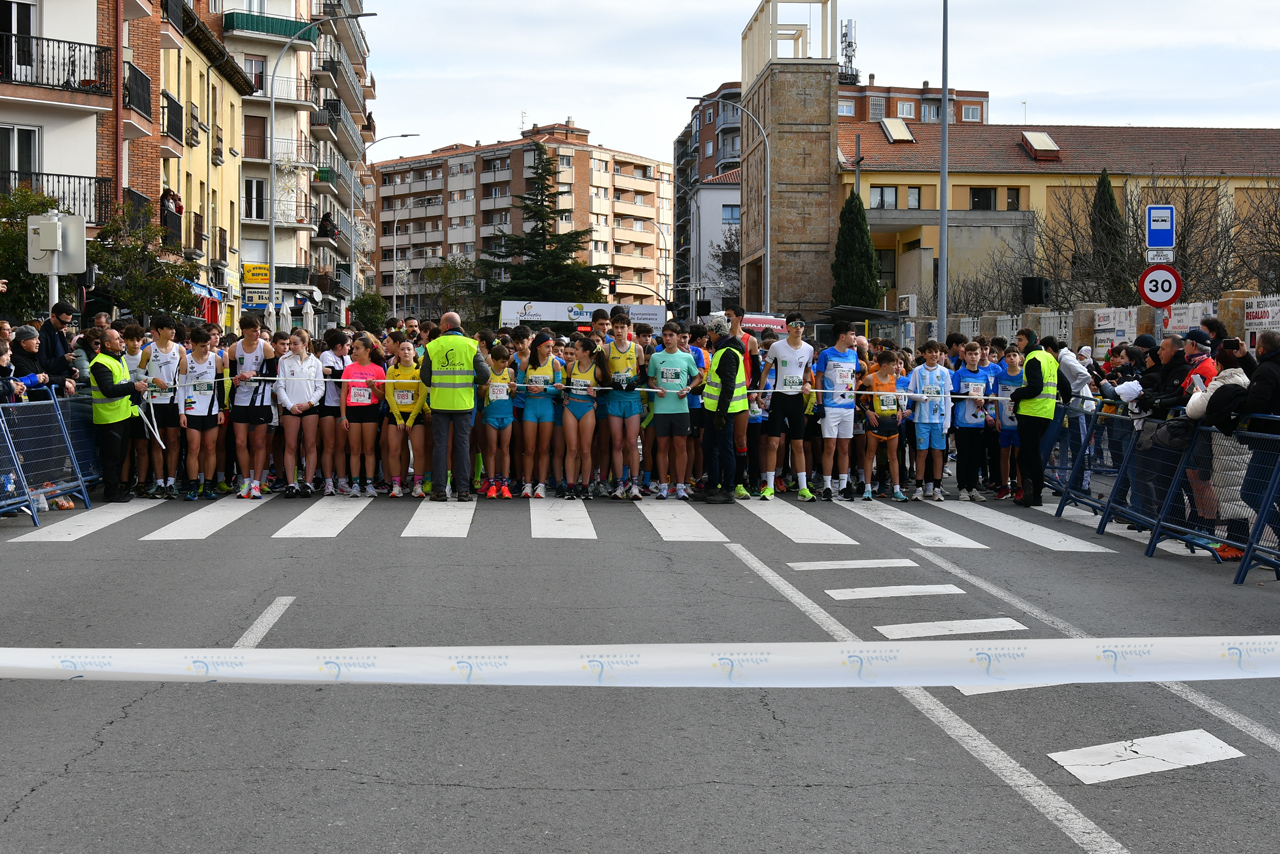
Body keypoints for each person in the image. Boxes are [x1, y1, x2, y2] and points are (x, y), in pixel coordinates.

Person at [420, 311, 489, 502]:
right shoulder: (471, 345)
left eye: (441, 325)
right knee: (463, 445)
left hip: (440, 403)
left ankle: (439, 490)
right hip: (463, 403)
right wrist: (471, 380)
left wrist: (437, 382)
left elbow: (425, 377)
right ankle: (463, 491)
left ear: (446, 326)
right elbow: (485, 375)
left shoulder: (433, 345)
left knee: (440, 446)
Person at [756, 312, 815, 501]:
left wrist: (808, 383)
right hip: (779, 398)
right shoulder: (776, 347)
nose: (799, 328)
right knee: (773, 443)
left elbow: (807, 372)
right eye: (795, 324)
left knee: (798, 445)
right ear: (787, 327)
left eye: (802, 324)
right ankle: (769, 486)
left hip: (796, 399)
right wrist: (759, 395)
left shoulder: (808, 349)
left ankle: (803, 488)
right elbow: (765, 372)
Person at [89, 329, 148, 502]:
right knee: (111, 457)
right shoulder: (100, 363)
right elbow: (108, 390)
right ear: (107, 344)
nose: (122, 341)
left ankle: (117, 489)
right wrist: (133, 387)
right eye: (118, 339)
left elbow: (121, 384)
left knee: (120, 455)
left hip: (122, 414)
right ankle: (111, 492)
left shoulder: (118, 359)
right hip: (109, 418)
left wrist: (134, 389)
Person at [1007, 329, 1059, 507]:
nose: (1018, 344)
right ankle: (1031, 488)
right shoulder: (1049, 358)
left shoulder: (1032, 359)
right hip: (1046, 413)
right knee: (1029, 453)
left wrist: (1016, 394)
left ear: (1030, 341)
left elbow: (1035, 387)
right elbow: (1064, 384)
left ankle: (1034, 492)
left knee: (1029, 455)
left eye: (1020, 340)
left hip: (1031, 413)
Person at [647, 320, 698, 500]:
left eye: (671, 335)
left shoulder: (687, 357)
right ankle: (663, 485)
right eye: (665, 335)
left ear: (678, 337)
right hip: (661, 409)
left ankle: (681, 486)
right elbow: (650, 379)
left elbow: (698, 377)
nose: (667, 339)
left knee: (681, 447)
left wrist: (689, 388)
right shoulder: (656, 357)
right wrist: (656, 388)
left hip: (681, 409)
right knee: (662, 447)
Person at [228, 315, 277, 499]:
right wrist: (236, 378)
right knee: (240, 442)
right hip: (241, 399)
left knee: (259, 442)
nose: (257, 334)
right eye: (254, 331)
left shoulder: (266, 347)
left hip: (260, 399)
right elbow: (232, 374)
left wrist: (253, 373)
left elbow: (272, 375)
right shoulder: (234, 348)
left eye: (258, 330)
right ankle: (246, 482)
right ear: (244, 331)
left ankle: (257, 483)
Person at [1239, 329, 1280, 543]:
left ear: (1262, 350)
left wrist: (1235, 405)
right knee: (1275, 492)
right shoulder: (1271, 367)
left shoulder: (1267, 370)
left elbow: (1257, 401)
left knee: (1251, 491)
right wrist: (1245, 357)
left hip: (1269, 439)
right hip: (1273, 438)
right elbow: (1263, 377)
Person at [699, 315, 746, 504]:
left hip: (724, 410)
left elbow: (728, 386)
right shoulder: (722, 349)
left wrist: (721, 414)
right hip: (715, 409)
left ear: (717, 333)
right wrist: (701, 388)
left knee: (725, 449)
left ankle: (728, 490)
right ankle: (712, 486)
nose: (708, 334)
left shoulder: (727, 353)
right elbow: (716, 381)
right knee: (709, 446)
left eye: (710, 331)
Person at [813, 320, 861, 501]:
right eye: (852, 334)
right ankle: (827, 486)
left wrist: (854, 404)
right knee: (829, 447)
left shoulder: (853, 355)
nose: (854, 337)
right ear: (842, 336)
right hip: (830, 406)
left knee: (844, 448)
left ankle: (843, 486)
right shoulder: (826, 354)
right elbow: (818, 379)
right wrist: (819, 404)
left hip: (847, 407)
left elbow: (854, 380)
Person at [138, 315, 185, 498]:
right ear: (159, 331)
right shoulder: (149, 350)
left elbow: (184, 378)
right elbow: (138, 376)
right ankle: (159, 483)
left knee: (173, 442)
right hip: (154, 402)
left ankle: (171, 483)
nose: (173, 331)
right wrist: (153, 380)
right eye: (169, 328)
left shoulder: (180, 350)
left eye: (174, 328)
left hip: (173, 402)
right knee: (156, 442)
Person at [275, 329, 324, 498]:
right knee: (291, 446)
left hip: (310, 408)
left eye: (295, 344)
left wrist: (309, 404)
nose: (291, 347)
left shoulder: (315, 362)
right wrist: (289, 406)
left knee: (310, 445)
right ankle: (291, 483)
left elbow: (320, 387)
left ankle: (308, 483)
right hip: (291, 408)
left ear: (304, 344)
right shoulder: (284, 360)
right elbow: (280, 386)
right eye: (290, 344)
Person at [179, 327, 227, 500]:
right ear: (193, 344)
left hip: (211, 409)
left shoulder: (216, 359)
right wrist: (182, 412)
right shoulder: (186, 360)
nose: (206, 348)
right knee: (193, 448)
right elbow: (181, 388)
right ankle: (193, 486)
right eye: (202, 346)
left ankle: (208, 485)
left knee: (210, 448)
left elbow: (220, 386)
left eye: (208, 345)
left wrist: (221, 409)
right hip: (192, 410)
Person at [340, 333, 385, 497]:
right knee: (354, 449)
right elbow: (343, 394)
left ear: (367, 351)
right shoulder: (349, 369)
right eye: (353, 348)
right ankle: (355, 483)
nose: (354, 351)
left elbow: (383, 396)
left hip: (370, 410)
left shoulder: (378, 370)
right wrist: (343, 416)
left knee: (369, 448)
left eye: (357, 348)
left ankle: (370, 483)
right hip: (353, 410)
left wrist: (372, 387)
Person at [906, 340, 952, 501]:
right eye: (930, 352)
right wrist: (920, 397)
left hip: (939, 419)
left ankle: (937, 488)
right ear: (924, 354)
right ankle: (919, 487)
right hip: (921, 419)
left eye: (936, 352)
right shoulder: (917, 371)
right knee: (922, 452)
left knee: (938, 453)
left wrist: (947, 421)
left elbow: (947, 397)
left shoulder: (944, 372)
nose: (934, 355)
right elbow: (910, 392)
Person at [860, 350, 909, 501]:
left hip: (891, 421)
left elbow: (895, 398)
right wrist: (867, 412)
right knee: (870, 454)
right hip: (876, 421)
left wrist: (899, 410)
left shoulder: (893, 378)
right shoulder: (870, 379)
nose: (897, 367)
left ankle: (897, 490)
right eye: (894, 365)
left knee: (893, 456)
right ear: (885, 366)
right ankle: (867, 489)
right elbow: (856, 397)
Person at [561, 338, 606, 500]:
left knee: (585, 450)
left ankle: (586, 486)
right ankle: (570, 486)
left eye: (577, 349)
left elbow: (606, 389)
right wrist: (563, 397)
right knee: (572, 449)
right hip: (571, 407)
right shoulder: (571, 367)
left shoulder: (597, 370)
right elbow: (566, 388)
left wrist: (596, 395)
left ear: (586, 352)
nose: (574, 352)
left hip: (587, 408)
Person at [384, 338, 429, 498]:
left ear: (414, 352)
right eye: (402, 349)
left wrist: (410, 420)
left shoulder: (419, 370)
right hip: (396, 414)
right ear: (398, 353)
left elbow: (422, 396)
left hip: (415, 415)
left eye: (409, 349)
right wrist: (399, 418)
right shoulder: (392, 370)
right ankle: (396, 485)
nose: (405, 352)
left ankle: (418, 485)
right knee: (394, 450)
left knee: (419, 451)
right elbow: (389, 395)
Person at [518, 332, 561, 498]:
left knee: (544, 449)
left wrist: (544, 389)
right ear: (538, 347)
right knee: (529, 449)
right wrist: (526, 387)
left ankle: (541, 485)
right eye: (547, 347)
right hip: (530, 406)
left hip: (546, 407)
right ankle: (528, 484)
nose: (551, 350)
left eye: (552, 347)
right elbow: (518, 386)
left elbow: (558, 390)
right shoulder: (526, 362)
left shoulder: (555, 363)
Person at [606, 313, 644, 500]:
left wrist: (635, 383)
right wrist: (609, 382)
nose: (619, 331)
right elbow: (602, 373)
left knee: (631, 442)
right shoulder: (606, 349)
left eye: (622, 327)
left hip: (632, 398)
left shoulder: (637, 348)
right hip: (614, 399)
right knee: (617, 443)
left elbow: (643, 375)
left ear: (628, 328)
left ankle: (635, 484)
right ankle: (619, 484)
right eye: (616, 327)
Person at [951, 342, 994, 502]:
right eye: (970, 354)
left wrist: (984, 400)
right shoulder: (959, 374)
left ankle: (973, 487)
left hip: (978, 422)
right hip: (962, 422)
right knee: (963, 456)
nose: (973, 357)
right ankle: (962, 487)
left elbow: (989, 395)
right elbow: (953, 396)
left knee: (976, 456)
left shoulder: (983, 375)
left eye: (976, 354)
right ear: (965, 356)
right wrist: (968, 394)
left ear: (980, 355)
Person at [482, 344, 518, 499]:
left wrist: (514, 389)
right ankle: (491, 483)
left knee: (505, 449)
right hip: (491, 415)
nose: (505, 364)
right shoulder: (487, 372)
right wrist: (484, 388)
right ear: (494, 360)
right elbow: (480, 394)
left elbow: (513, 395)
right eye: (502, 361)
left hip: (507, 415)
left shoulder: (510, 372)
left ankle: (504, 483)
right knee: (492, 449)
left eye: (507, 361)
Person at [318, 330, 351, 496]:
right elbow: (338, 378)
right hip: (327, 404)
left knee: (340, 446)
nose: (349, 349)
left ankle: (342, 481)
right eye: (347, 345)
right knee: (329, 445)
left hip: (342, 405)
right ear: (339, 346)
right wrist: (335, 373)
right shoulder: (326, 355)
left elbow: (345, 376)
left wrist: (333, 372)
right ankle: (328, 481)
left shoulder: (347, 358)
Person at [992, 347, 1025, 500]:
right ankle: (1004, 486)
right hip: (1004, 421)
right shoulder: (999, 376)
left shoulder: (1024, 376)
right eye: (1008, 356)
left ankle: (1020, 487)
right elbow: (996, 398)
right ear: (1004, 359)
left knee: (1019, 455)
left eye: (1014, 355)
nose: (1011, 358)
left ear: (1020, 358)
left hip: (1019, 421)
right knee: (1004, 453)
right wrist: (997, 418)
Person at [10, 325, 75, 400]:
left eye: (38, 338)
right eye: (34, 339)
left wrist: (64, 379)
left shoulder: (32, 357)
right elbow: (36, 378)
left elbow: (44, 375)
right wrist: (62, 381)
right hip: (28, 404)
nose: (39, 342)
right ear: (23, 342)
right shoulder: (16, 359)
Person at [38, 300, 80, 386]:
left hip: (61, 383)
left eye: (68, 323)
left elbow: (60, 359)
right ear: (53, 316)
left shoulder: (61, 335)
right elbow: (42, 364)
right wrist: (64, 360)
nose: (65, 326)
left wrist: (70, 370)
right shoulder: (42, 336)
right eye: (63, 322)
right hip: (51, 384)